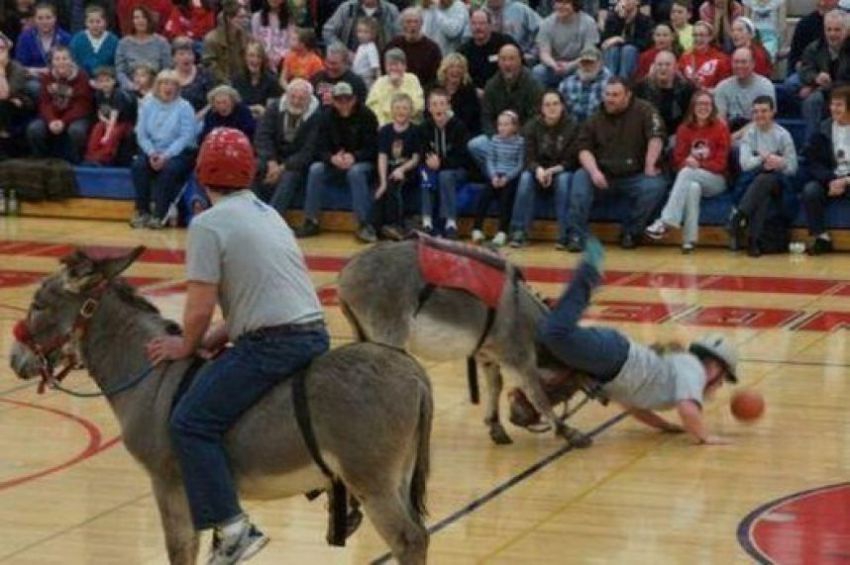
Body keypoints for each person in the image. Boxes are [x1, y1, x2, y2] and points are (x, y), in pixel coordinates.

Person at [146, 127, 329, 565]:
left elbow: (198, 308)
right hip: (314, 332)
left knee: (189, 422)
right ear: (248, 172)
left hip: (274, 344)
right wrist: (218, 336)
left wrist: (185, 345)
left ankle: (232, 529)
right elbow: (265, 292)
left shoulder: (207, 224)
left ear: (201, 173)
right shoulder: (268, 211)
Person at [538, 237, 740, 446]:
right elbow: (687, 408)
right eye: (723, 377)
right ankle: (589, 272)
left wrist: (664, 426)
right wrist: (705, 436)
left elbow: (633, 405)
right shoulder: (693, 370)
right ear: (715, 366)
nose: (721, 384)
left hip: (608, 365)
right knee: (556, 334)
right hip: (613, 356)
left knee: (541, 343)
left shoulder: (677, 377)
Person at [566, 77, 667, 251]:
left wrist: (650, 165)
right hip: (603, 175)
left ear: (628, 96)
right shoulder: (595, 118)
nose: (610, 99)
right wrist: (594, 172)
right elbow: (583, 149)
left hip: (635, 175)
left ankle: (631, 232)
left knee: (654, 185)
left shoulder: (645, 110)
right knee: (580, 177)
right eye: (607, 94)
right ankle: (576, 234)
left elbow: (656, 137)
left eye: (615, 95)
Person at [645, 90, 730, 252]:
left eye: (707, 104)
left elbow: (721, 164)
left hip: (716, 180)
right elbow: (678, 160)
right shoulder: (684, 129)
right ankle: (689, 240)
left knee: (686, 172)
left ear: (713, 107)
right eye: (699, 104)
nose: (703, 107)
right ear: (692, 107)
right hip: (693, 177)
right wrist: (687, 162)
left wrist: (698, 165)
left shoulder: (721, 128)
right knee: (692, 187)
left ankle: (665, 221)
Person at [295, 81, 379, 242]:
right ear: (333, 101)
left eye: (347, 99)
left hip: (362, 162)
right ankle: (310, 220)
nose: (344, 103)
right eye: (339, 100)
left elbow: (374, 148)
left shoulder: (367, 116)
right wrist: (331, 158)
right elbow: (318, 148)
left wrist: (354, 157)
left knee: (356, 172)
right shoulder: (325, 117)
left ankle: (364, 224)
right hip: (334, 162)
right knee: (316, 169)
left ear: (354, 99)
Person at [727, 95, 797, 256]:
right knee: (763, 188)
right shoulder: (749, 135)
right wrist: (763, 158)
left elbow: (792, 168)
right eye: (756, 112)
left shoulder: (783, 135)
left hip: (780, 184)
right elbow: (745, 165)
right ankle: (753, 242)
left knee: (768, 178)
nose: (760, 115)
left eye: (764, 111)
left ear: (773, 112)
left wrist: (781, 163)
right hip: (754, 181)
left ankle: (738, 217)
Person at [509, 90, 579, 248]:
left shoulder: (572, 125)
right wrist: (538, 170)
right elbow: (528, 157)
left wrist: (553, 170)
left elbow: (572, 159)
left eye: (555, 104)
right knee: (525, 178)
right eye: (547, 104)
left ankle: (565, 234)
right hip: (538, 171)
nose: (551, 108)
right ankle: (519, 231)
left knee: (563, 180)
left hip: (561, 170)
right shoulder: (532, 126)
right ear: (541, 108)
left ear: (562, 106)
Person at [130, 70, 197, 228]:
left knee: (169, 169)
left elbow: (185, 137)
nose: (168, 87)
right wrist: (152, 152)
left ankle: (160, 214)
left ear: (177, 88)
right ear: (157, 86)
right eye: (164, 83)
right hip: (152, 150)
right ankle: (142, 211)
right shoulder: (148, 105)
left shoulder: (185, 107)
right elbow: (141, 134)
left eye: (172, 84)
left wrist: (166, 155)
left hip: (179, 153)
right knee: (138, 166)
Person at [253, 78, 321, 213]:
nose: (296, 102)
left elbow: (310, 150)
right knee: (254, 167)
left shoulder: (317, 116)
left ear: (309, 99)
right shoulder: (274, 108)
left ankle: (272, 216)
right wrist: (271, 162)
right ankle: (254, 211)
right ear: (287, 96)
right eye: (293, 97)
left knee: (290, 175)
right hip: (273, 157)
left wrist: (282, 168)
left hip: (296, 163)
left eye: (301, 99)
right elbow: (262, 136)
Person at [802, 86, 850, 255]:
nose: (834, 109)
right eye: (832, 105)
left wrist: (845, 181)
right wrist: (830, 180)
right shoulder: (823, 128)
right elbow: (813, 161)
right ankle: (821, 237)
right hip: (831, 178)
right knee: (811, 190)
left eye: (839, 105)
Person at [26, 44, 92, 164]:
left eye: (64, 58)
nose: (61, 62)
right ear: (52, 62)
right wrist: (51, 120)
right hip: (53, 116)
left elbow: (82, 106)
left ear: (71, 60)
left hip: (75, 117)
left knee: (77, 131)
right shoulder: (47, 77)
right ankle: (41, 161)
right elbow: (44, 103)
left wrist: (63, 121)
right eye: (57, 59)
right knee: (34, 129)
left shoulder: (82, 77)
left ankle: (75, 162)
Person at [419, 88, 470, 238]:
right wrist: (429, 162)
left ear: (448, 106)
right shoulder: (424, 128)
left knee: (445, 176)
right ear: (429, 108)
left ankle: (450, 223)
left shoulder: (459, 127)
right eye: (434, 104)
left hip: (456, 170)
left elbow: (462, 157)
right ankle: (426, 222)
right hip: (433, 168)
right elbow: (422, 152)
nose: (438, 108)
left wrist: (440, 163)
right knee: (425, 173)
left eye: (442, 104)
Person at [471, 109, 524, 247]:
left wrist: (508, 177)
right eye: (500, 124)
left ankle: (502, 231)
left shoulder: (520, 142)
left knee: (506, 199)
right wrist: (493, 175)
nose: (502, 128)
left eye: (506, 124)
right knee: (484, 196)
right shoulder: (494, 140)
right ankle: (477, 228)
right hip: (495, 174)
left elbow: (520, 164)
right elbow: (490, 160)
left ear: (514, 126)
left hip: (510, 177)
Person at [374, 92, 421, 239]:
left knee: (394, 183)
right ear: (392, 110)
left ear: (411, 111)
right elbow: (382, 156)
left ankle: (397, 225)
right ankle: (377, 228)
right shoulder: (385, 131)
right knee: (381, 191)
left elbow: (416, 158)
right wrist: (382, 182)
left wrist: (401, 169)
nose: (401, 111)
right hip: (389, 171)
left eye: (405, 108)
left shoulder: (415, 131)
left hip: (408, 170)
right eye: (398, 108)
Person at [798, 9, 848, 146]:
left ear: (847, 30)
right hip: (823, 92)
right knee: (811, 101)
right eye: (829, 30)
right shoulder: (814, 48)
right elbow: (804, 69)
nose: (832, 34)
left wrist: (825, 86)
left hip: (846, 93)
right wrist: (815, 78)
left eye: (837, 30)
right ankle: (812, 145)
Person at [533, 0, 598, 87]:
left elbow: (589, 53)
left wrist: (569, 66)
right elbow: (544, 53)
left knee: (589, 71)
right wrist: (554, 65)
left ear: (575, 5)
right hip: (555, 66)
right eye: (558, 2)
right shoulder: (547, 23)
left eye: (565, 3)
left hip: (579, 65)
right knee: (538, 72)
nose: (560, 6)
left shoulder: (589, 23)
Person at [714, 47, 775, 136]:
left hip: (758, 131)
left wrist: (735, 136)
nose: (739, 66)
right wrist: (725, 138)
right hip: (730, 130)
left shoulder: (765, 86)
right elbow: (720, 120)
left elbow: (764, 119)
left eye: (744, 62)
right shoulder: (722, 86)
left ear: (753, 64)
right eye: (736, 62)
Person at [634, 50, 695, 136]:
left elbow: (690, 118)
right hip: (648, 133)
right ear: (653, 66)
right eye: (660, 64)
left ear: (676, 67)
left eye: (667, 64)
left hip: (676, 135)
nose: (663, 68)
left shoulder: (687, 89)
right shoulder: (640, 88)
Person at [84, 66, 136, 166]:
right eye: (101, 81)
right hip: (107, 120)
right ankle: (90, 156)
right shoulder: (98, 94)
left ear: (114, 81)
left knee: (113, 134)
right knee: (97, 128)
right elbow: (100, 112)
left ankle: (102, 158)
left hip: (122, 122)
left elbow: (114, 117)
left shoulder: (118, 95)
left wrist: (107, 135)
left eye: (108, 81)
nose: (105, 84)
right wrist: (104, 122)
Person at [458, 10, 517, 93]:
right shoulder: (463, 51)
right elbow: (461, 79)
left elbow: (521, 68)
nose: (477, 27)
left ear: (490, 25)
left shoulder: (505, 42)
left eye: (482, 23)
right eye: (474, 24)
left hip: (504, 92)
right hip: (475, 95)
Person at [115, 6, 172, 92]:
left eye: (144, 17)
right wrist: (131, 86)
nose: (140, 20)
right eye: (136, 18)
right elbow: (120, 72)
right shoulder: (123, 43)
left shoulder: (162, 42)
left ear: (149, 20)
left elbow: (167, 69)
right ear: (132, 21)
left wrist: (155, 87)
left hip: (157, 89)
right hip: (131, 90)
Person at [384, 7, 442, 89]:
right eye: (408, 22)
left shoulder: (433, 49)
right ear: (402, 24)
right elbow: (385, 72)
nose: (412, 25)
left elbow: (436, 78)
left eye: (416, 22)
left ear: (421, 24)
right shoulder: (392, 45)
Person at [365, 47, 423, 126]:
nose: (393, 68)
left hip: (409, 126)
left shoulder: (412, 79)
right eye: (390, 65)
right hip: (385, 127)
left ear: (404, 66)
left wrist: (397, 86)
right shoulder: (380, 82)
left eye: (396, 64)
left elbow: (418, 106)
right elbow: (372, 107)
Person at [558, 45, 611, 124]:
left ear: (600, 64)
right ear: (579, 63)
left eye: (591, 63)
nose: (587, 66)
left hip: (599, 128)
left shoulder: (609, 84)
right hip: (573, 130)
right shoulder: (566, 84)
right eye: (584, 62)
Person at [601, 0, 653, 78]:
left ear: (637, 2)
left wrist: (621, 40)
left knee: (628, 50)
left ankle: (624, 82)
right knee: (612, 50)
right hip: (615, 54)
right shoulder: (613, 19)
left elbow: (645, 43)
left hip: (634, 54)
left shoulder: (645, 21)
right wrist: (620, 20)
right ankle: (609, 81)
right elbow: (605, 41)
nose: (626, 1)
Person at [321, 0, 400, 51]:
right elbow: (328, 32)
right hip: (349, 64)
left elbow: (399, 36)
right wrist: (343, 52)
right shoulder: (347, 8)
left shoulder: (391, 10)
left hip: (383, 64)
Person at [233, 40, 282, 119]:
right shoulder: (236, 79)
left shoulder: (272, 81)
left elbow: (272, 111)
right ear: (245, 58)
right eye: (251, 56)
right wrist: (253, 109)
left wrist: (263, 111)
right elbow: (233, 107)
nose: (255, 60)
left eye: (259, 56)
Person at [434, 52, 481, 136]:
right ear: (445, 70)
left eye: (460, 67)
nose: (455, 70)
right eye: (451, 66)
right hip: (436, 131)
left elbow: (470, 119)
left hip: (464, 133)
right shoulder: (434, 88)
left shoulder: (469, 90)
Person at [311, 41, 368, 106]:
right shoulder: (317, 78)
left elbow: (359, 107)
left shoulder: (356, 82)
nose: (330, 66)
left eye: (334, 64)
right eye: (328, 62)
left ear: (345, 63)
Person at [678, 21, 731, 90]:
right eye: (695, 35)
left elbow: (725, 87)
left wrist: (705, 89)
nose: (698, 39)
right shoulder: (685, 57)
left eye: (701, 35)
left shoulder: (721, 59)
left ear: (710, 37)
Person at [69, 5, 119, 77]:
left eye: (98, 22)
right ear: (86, 23)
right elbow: (72, 62)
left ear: (105, 22)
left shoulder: (114, 41)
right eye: (91, 22)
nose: (95, 25)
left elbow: (117, 65)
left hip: (107, 82)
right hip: (82, 81)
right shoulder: (77, 40)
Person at [250, 0, 293, 71]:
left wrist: (280, 57)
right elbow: (255, 42)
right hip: (261, 61)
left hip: (283, 62)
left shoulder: (289, 19)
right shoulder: (257, 17)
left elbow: (290, 44)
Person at [351, 16, 380, 89]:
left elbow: (375, 67)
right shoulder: (361, 46)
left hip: (366, 80)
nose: (361, 35)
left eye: (366, 32)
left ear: (373, 34)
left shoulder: (371, 48)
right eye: (359, 31)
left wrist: (378, 83)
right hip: (357, 78)